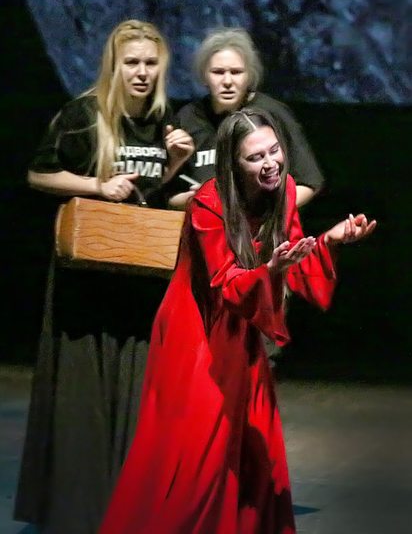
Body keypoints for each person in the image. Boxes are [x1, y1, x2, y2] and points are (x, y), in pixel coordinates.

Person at [99, 108, 376, 534]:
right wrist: (271, 270)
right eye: (255, 157)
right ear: (233, 163)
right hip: (196, 331)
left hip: (239, 329)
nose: (270, 163)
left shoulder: (283, 190)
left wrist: (329, 240)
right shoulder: (208, 204)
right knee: (197, 454)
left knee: (248, 445)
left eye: (274, 150)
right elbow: (225, 282)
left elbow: (293, 259)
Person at [14, 19, 194, 534]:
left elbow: (153, 198)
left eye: (150, 63)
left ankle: (130, 501)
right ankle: (80, 507)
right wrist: (98, 185)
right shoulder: (83, 114)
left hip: (141, 275)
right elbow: (38, 173)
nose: (141, 72)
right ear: (113, 65)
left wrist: (175, 164)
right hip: (88, 276)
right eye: (131, 62)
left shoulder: (166, 123)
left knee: (139, 388)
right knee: (85, 390)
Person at [170, 27, 324, 209]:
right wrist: (195, 199)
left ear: (249, 76)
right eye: (218, 72)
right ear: (204, 76)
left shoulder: (272, 113)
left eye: (236, 72)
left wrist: (267, 215)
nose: (227, 81)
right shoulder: (188, 118)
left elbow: (309, 181)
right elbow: (168, 195)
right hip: (205, 221)